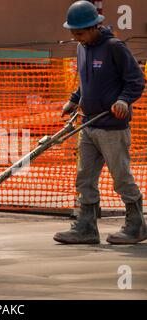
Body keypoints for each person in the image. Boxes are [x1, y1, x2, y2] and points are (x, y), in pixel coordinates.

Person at [54, 1, 146, 244]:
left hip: (112, 128)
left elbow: (136, 81)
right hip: (89, 125)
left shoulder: (115, 47)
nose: (76, 37)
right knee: (84, 177)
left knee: (121, 177)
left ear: (95, 26)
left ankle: (136, 225)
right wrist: (74, 100)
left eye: (80, 32)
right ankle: (86, 227)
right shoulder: (82, 47)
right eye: (73, 33)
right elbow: (85, 82)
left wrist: (124, 101)